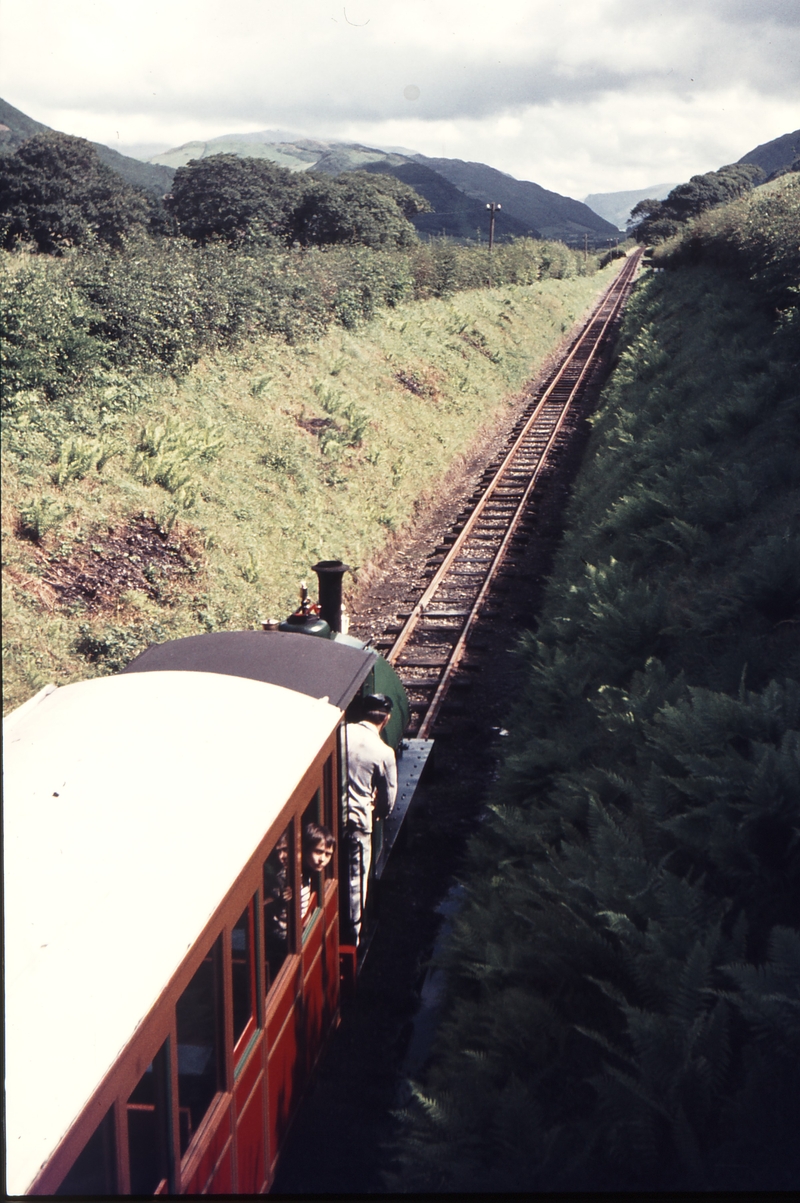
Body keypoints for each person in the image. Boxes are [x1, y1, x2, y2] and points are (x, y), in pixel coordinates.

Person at [344, 693, 397, 945]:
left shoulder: (341, 733)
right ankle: (353, 936)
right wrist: (379, 813)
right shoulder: (383, 752)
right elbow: (388, 799)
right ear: (386, 719)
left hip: (328, 820)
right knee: (357, 878)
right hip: (358, 822)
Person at [301, 822, 335, 921]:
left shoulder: (309, 871)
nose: (322, 859)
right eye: (318, 852)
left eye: (328, 854)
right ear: (306, 849)